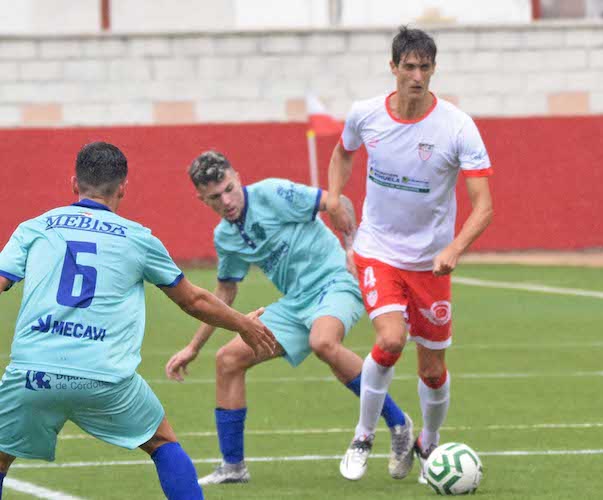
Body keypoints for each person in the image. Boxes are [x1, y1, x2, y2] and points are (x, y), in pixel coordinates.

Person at [0, 142, 275, 500]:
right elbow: (193, 300)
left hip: (32, 372)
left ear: (74, 184)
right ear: (123, 188)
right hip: (103, 375)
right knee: (162, 443)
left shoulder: (34, 228)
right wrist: (242, 323)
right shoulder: (138, 238)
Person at [164, 150, 415, 486]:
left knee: (323, 342)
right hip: (295, 304)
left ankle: (399, 425)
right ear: (201, 199)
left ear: (237, 177)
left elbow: (338, 203)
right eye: (214, 197)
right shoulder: (226, 237)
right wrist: (194, 346)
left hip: (335, 281)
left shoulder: (272, 193)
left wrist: (354, 250)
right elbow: (224, 295)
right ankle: (233, 467)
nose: (225, 201)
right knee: (228, 359)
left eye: (228, 189)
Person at [327, 26, 494, 482]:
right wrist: (333, 194)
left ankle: (429, 446)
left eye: (425, 67)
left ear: (433, 69)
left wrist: (455, 247)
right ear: (394, 67)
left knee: (434, 368)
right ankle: (363, 434)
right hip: (377, 250)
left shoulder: (457, 127)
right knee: (390, 340)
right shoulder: (366, 115)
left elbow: (485, 205)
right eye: (409, 67)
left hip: (431, 263)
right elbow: (343, 153)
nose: (417, 76)